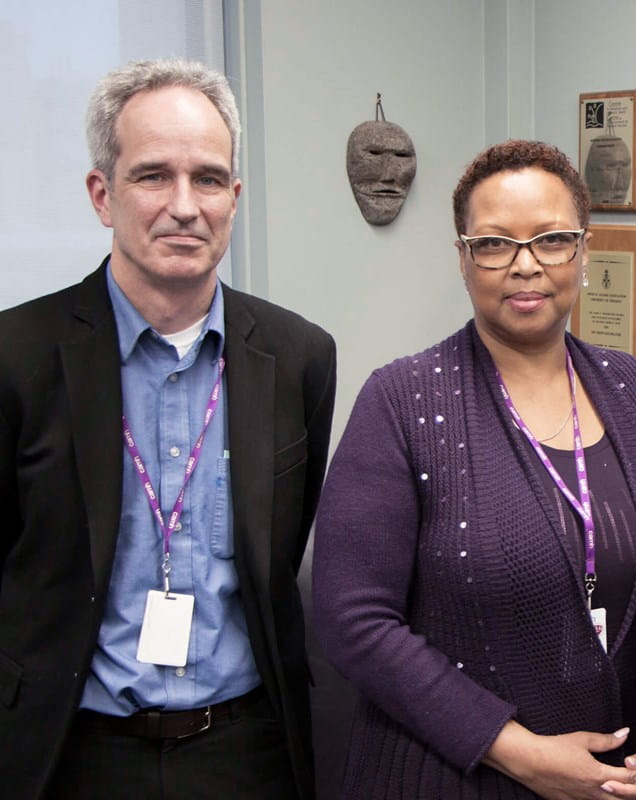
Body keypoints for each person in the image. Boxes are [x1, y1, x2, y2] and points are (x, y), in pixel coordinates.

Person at [313, 140, 636, 799]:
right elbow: (352, 619)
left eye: (552, 240)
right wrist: (517, 752)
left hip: (631, 778)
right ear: (463, 260)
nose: (527, 266)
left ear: (583, 251)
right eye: (495, 244)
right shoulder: (401, 402)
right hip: (455, 777)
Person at [0, 60, 336, 800]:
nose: (185, 206)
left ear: (235, 199)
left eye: (209, 179)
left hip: (249, 751)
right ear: (102, 194)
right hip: (70, 752)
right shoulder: (18, 357)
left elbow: (283, 542)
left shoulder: (300, 356)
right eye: (154, 176)